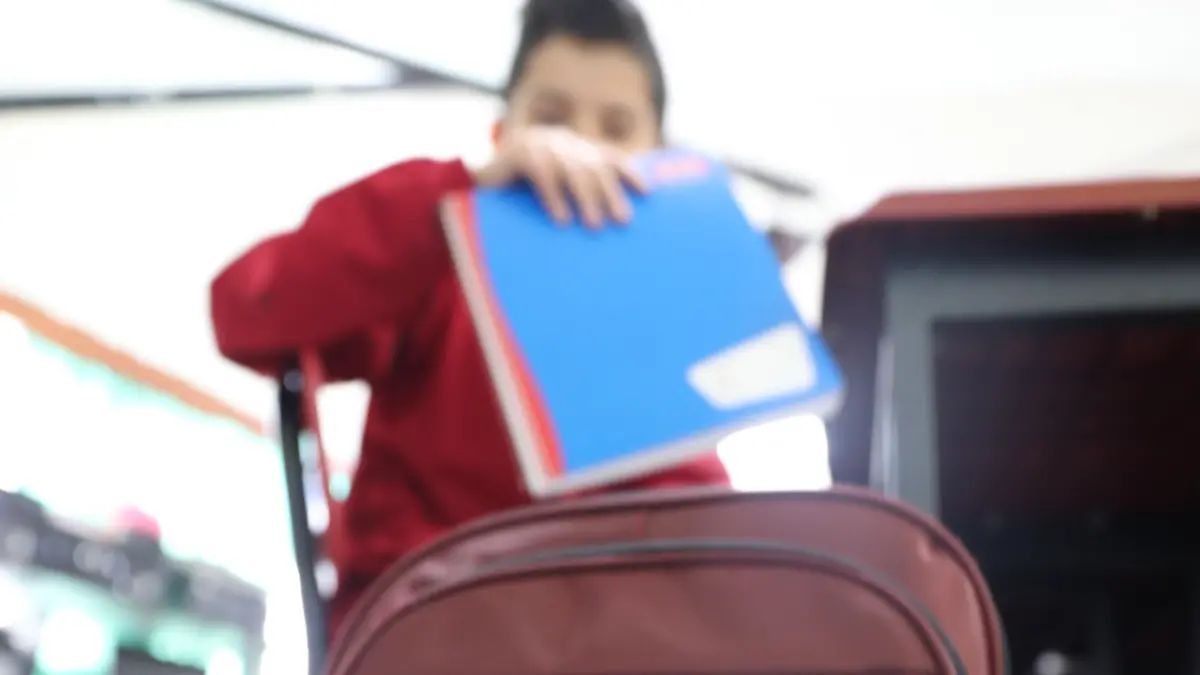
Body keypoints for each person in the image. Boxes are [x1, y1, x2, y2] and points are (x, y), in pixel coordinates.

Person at [209, 0, 729, 642]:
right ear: (503, 133)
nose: (578, 150)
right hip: (427, 629)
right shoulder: (436, 262)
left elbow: (701, 540)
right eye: (551, 118)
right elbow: (246, 309)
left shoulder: (677, 326)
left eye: (615, 126)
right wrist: (448, 199)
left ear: (658, 155)